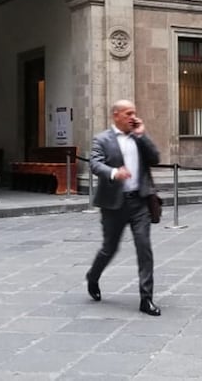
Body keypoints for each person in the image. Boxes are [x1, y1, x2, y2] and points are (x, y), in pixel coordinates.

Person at [84, 99, 162, 316]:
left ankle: (146, 299)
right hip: (113, 205)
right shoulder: (102, 139)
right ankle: (93, 276)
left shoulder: (138, 137)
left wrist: (143, 135)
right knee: (109, 248)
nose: (132, 117)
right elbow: (95, 163)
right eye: (128, 113)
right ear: (116, 115)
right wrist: (113, 173)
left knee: (144, 248)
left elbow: (155, 158)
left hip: (140, 201)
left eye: (134, 113)